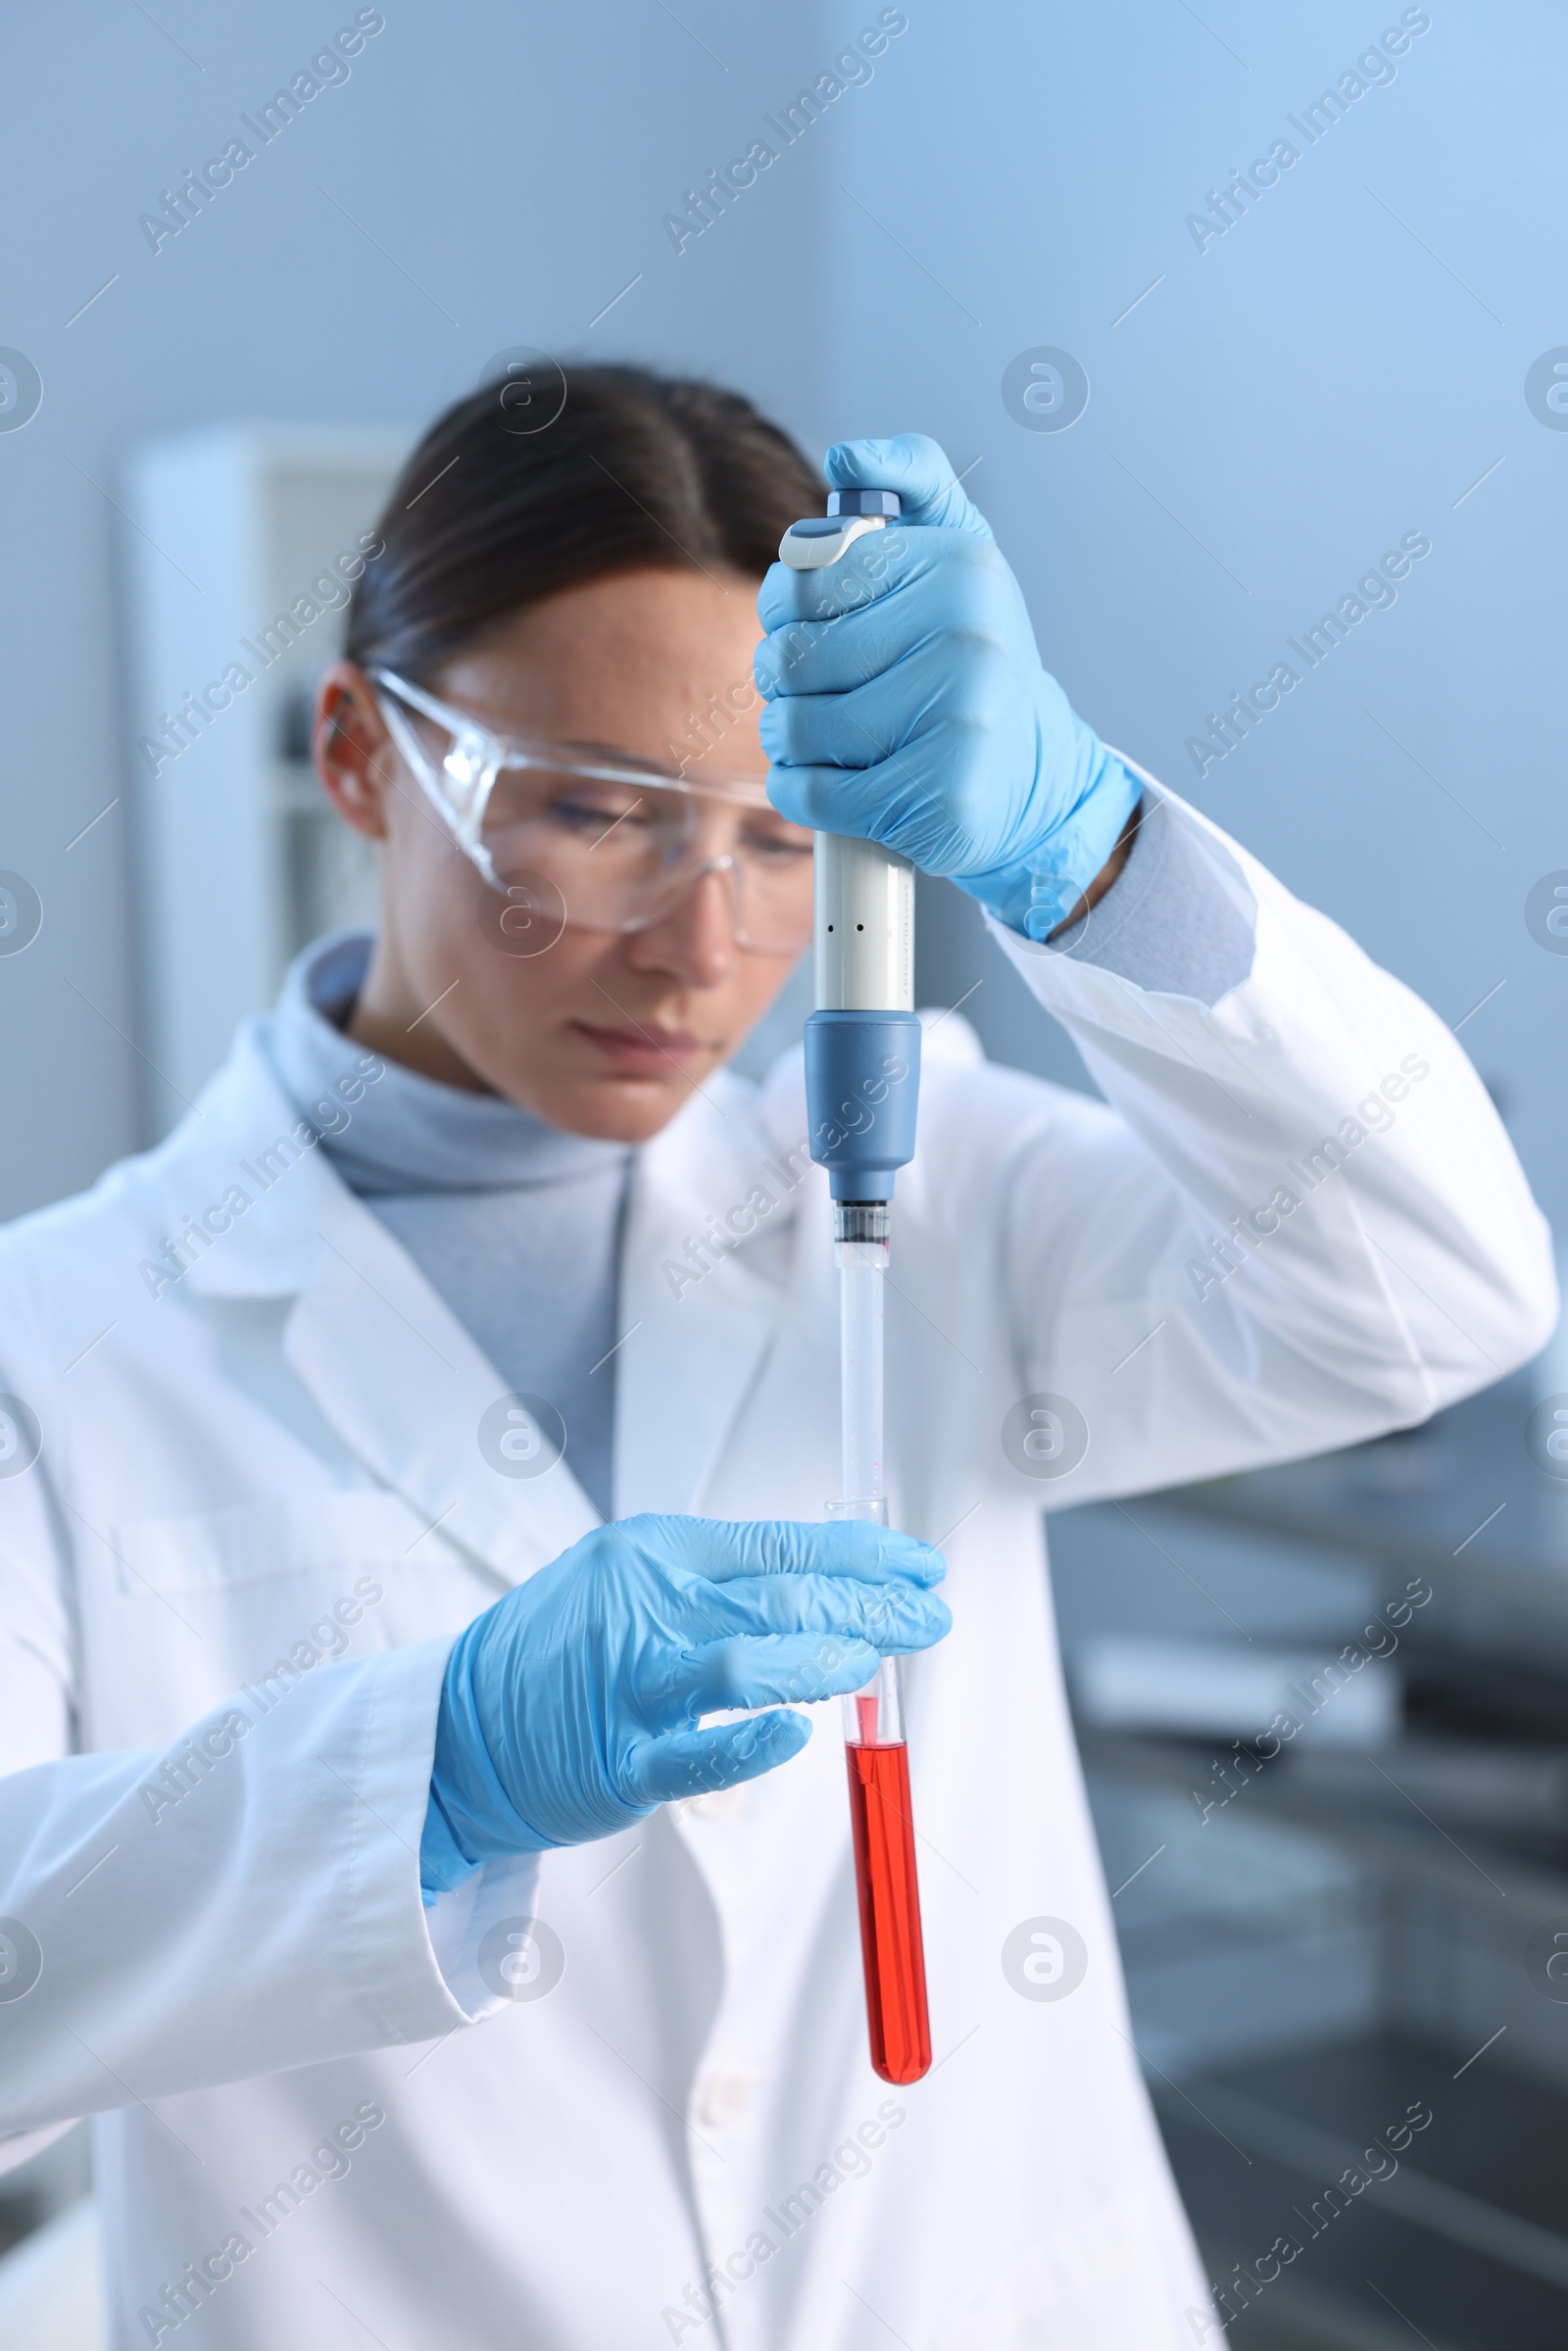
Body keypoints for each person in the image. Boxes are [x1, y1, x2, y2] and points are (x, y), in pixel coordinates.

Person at [0, 366, 1549, 2351]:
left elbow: (1434, 1298)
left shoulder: (929, 1181)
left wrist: (1083, 846)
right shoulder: (59, 1342)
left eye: (779, 841)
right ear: (358, 759)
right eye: (592, 813)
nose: (697, 943)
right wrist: (432, 1772)